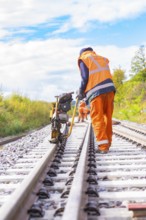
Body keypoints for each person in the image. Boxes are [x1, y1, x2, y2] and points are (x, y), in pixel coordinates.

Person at [77, 47, 116, 154]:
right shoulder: (101, 58)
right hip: (110, 89)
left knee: (97, 118)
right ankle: (108, 143)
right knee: (107, 116)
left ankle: (103, 146)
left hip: (96, 91)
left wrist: (81, 90)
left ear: (81, 53)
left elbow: (85, 77)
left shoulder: (84, 59)